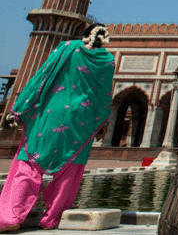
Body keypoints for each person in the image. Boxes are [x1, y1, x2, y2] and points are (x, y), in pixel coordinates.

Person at [0, 23, 116, 232]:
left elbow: (41, 78)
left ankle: (10, 217)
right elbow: (105, 95)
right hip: (83, 119)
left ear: (84, 34)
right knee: (70, 170)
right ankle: (51, 219)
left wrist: (19, 108)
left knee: (28, 165)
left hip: (51, 113)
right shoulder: (107, 60)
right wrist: (100, 123)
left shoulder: (67, 47)